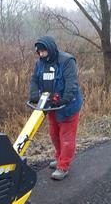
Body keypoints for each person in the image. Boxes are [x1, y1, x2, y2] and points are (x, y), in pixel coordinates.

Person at [29, 36, 83, 180]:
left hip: (68, 106)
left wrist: (64, 99)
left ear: (50, 49)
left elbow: (71, 83)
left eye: (43, 52)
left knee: (66, 137)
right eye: (39, 52)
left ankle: (63, 166)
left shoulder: (66, 61)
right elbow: (34, 79)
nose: (41, 55)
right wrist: (34, 94)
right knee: (54, 134)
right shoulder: (40, 63)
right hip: (51, 105)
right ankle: (59, 157)